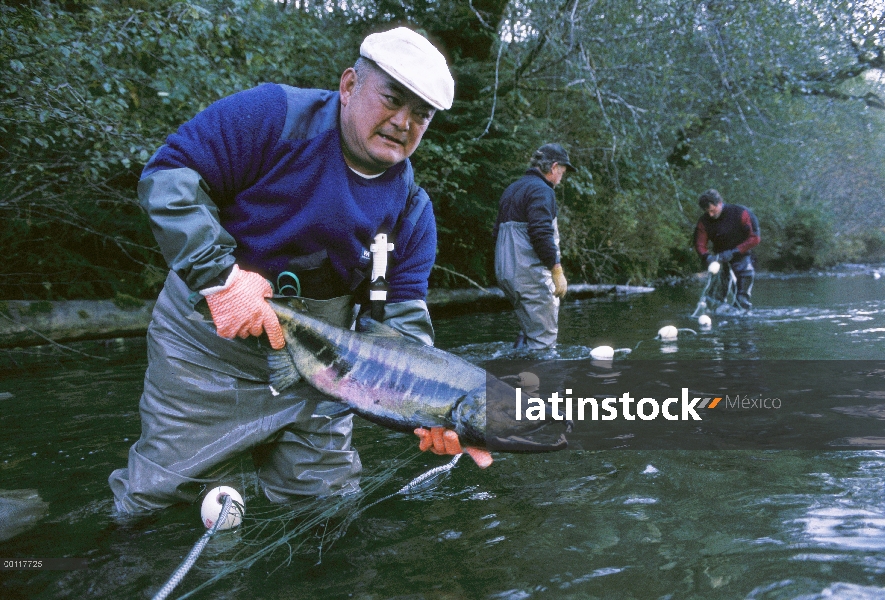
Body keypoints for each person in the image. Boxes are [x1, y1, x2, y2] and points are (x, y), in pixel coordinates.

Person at [109, 27, 489, 514]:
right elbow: (168, 177)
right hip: (205, 353)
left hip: (322, 374)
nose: (403, 122)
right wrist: (219, 275)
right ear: (349, 85)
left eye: (421, 114)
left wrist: (438, 412)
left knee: (328, 513)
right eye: (392, 100)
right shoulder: (270, 117)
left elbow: (402, 335)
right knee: (158, 507)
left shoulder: (412, 212)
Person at [493, 143, 575, 349]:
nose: (561, 178)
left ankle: (514, 370)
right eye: (562, 173)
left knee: (529, 330)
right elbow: (540, 233)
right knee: (544, 341)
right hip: (529, 273)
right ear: (554, 167)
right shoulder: (541, 190)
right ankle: (542, 379)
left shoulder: (512, 189)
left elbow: (496, 233)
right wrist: (557, 270)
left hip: (506, 273)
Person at [694, 189, 760, 310]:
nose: (710, 215)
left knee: (742, 301)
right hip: (719, 258)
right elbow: (699, 244)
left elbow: (755, 238)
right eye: (707, 212)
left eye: (712, 210)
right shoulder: (704, 221)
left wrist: (734, 251)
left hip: (742, 255)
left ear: (719, 203)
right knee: (714, 300)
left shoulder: (740, 213)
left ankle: (742, 319)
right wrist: (708, 257)